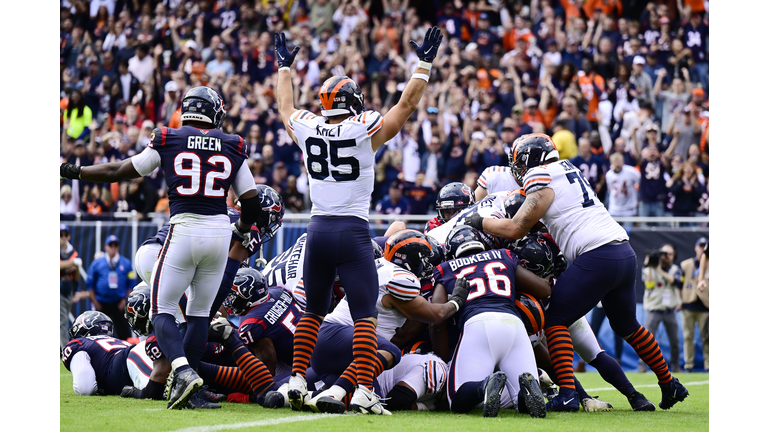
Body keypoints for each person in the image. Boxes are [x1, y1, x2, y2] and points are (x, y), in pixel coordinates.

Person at [273, 27, 444, 415]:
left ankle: (298, 380)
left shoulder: (308, 126)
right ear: (355, 102)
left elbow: (285, 109)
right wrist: (424, 65)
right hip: (351, 231)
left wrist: (284, 67)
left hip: (316, 230)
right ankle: (365, 389)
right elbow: (405, 107)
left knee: (313, 312)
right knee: (365, 315)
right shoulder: (362, 127)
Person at [60, 85, 264, 410]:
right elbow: (251, 205)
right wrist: (240, 228)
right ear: (214, 113)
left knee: (163, 309)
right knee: (199, 313)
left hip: (183, 228)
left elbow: (119, 170)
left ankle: (182, 371)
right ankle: (192, 390)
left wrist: (76, 171)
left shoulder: (168, 137)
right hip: (218, 232)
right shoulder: (233, 144)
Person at [464, 133, 689, 412]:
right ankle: (669, 383)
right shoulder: (569, 169)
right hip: (623, 251)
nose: (518, 170)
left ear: (531, 160)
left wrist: (479, 220)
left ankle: (568, 395)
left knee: (556, 318)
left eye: (520, 162)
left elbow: (516, 228)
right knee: (627, 325)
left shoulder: (540, 176)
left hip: (597, 255)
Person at [433, 225, 551, 418]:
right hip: (514, 325)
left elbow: (436, 321)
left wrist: (442, 358)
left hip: (478, 325)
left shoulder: (446, 269)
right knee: (520, 403)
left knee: (456, 398)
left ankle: (483, 386)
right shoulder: (504, 255)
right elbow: (544, 290)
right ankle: (527, 391)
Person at [61, 311, 154, 396]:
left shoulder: (79, 344)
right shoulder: (121, 341)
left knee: (153, 393)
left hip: (129, 360)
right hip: (145, 351)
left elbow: (85, 388)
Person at [639, 244, 682, 373]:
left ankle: (676, 366)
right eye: (664, 253)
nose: (665, 257)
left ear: (674, 256)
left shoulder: (675, 269)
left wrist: (659, 270)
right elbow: (649, 284)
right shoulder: (649, 270)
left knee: (674, 341)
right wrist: (650, 267)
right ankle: (642, 366)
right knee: (647, 340)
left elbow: (676, 282)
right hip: (654, 310)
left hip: (669, 311)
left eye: (669, 254)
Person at [85, 235, 135, 341]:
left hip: (119, 303)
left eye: (115, 245)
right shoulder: (97, 263)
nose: (113, 247)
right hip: (102, 303)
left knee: (124, 332)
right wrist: (95, 302)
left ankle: (126, 353)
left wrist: (125, 300)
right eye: (110, 245)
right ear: (105, 246)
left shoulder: (126, 264)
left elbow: (131, 283)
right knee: (100, 332)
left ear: (118, 247)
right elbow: (90, 284)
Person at [678, 237, 709, 372]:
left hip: (705, 305)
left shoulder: (710, 263)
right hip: (688, 305)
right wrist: (681, 301)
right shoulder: (686, 264)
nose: (702, 248)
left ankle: (709, 365)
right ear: (695, 247)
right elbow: (679, 284)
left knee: (707, 337)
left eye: (704, 246)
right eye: (700, 246)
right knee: (687, 336)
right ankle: (688, 364)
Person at [605, 152, 641, 230]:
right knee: (613, 234)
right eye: (615, 161)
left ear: (623, 161)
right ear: (611, 163)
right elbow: (609, 190)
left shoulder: (631, 171)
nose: (617, 163)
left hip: (628, 210)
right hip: (614, 209)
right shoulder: (609, 175)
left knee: (627, 235)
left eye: (619, 161)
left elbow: (641, 182)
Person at [60, 224, 82, 351]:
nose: (63, 237)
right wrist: (73, 263)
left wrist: (75, 267)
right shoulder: (73, 256)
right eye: (60, 235)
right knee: (62, 320)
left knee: (63, 319)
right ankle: (63, 349)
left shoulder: (72, 251)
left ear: (69, 236)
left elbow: (77, 274)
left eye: (65, 235)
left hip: (68, 289)